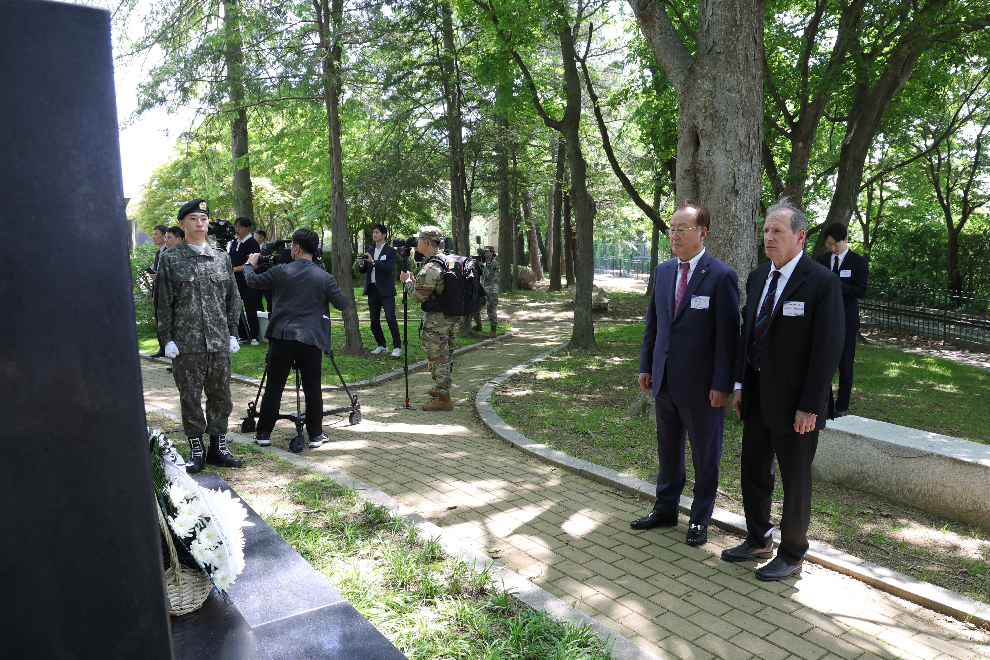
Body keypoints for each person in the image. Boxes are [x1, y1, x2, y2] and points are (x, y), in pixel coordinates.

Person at [722, 198, 843, 581]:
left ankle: (792, 553)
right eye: (766, 230)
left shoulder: (821, 281)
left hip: (797, 404)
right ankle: (758, 539)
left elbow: (828, 349)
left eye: (777, 231)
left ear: (800, 236)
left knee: (795, 480)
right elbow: (747, 337)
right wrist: (740, 385)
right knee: (754, 471)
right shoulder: (758, 277)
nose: (768, 237)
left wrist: (810, 406)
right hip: (756, 395)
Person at [632, 200, 740, 547]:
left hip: (701, 387)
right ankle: (665, 509)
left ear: (702, 233)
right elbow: (655, 324)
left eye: (682, 229)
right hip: (663, 380)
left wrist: (722, 384)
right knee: (668, 450)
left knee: (705, 455)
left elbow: (728, 338)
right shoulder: (663, 272)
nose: (674, 235)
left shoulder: (721, 276)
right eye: (672, 229)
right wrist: (646, 365)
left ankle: (699, 518)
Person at [157, 198, 243, 473]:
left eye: (203, 219)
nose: (200, 223)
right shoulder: (171, 259)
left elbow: (233, 299)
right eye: (193, 219)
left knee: (221, 395)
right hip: (187, 343)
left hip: (218, 341)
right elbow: (163, 304)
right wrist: (167, 339)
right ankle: (197, 446)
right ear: (182, 224)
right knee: (190, 396)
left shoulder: (222, 258)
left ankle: (218, 445)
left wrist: (233, 333)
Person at [244, 228, 350, 448]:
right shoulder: (323, 276)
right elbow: (343, 303)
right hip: (311, 339)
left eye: (291, 246)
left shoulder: (282, 270)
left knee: (274, 385)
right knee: (312, 387)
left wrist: (249, 263)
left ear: (297, 248)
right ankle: (316, 435)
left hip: (282, 336)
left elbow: (252, 281)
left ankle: (263, 433)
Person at [399, 226, 459, 411]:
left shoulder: (431, 267)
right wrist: (415, 283)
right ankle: (442, 388)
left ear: (426, 242)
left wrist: (407, 282)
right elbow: (433, 290)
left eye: (418, 240)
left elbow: (418, 297)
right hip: (448, 316)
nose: (416, 243)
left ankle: (444, 398)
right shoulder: (445, 260)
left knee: (438, 357)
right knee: (444, 355)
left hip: (436, 322)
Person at [816, 224, 869, 416]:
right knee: (823, 363)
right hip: (824, 320)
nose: (832, 248)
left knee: (845, 366)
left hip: (847, 321)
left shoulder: (858, 262)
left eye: (835, 244)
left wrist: (836, 283)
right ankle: (824, 403)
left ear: (845, 239)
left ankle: (841, 407)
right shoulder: (821, 261)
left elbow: (860, 290)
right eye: (829, 244)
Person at [358, 223, 402, 357]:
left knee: (390, 318)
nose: (374, 235)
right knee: (374, 321)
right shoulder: (370, 250)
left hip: (386, 290)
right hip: (372, 290)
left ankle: (397, 347)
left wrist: (374, 262)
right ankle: (381, 345)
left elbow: (389, 268)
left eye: (376, 232)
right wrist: (361, 263)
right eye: (373, 232)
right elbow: (364, 270)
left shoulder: (390, 251)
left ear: (384, 235)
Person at [228, 216, 262, 344]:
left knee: (250, 308)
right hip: (235, 281)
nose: (237, 229)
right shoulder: (235, 242)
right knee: (236, 308)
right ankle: (242, 334)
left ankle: (254, 335)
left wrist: (233, 269)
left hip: (248, 282)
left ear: (247, 228)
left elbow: (252, 264)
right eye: (235, 226)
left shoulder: (252, 243)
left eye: (240, 227)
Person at [149, 224, 168, 358]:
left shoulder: (169, 251)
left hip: (166, 291)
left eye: (156, 234)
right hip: (157, 290)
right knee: (158, 319)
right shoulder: (158, 252)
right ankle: (162, 347)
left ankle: (168, 348)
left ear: (164, 235)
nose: (153, 237)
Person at [472, 246, 500, 338]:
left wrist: (482, 266)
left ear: (491, 253)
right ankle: (478, 325)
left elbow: (490, 277)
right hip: (482, 288)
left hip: (491, 290)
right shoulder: (483, 262)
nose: (484, 253)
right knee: (475, 306)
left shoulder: (494, 263)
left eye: (486, 251)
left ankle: (493, 330)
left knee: (490, 310)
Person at [253, 229, 273, 313]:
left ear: (261, 238)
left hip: (266, 278)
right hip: (257, 278)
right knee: (257, 299)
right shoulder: (253, 249)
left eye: (255, 236)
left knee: (270, 299)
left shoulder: (267, 248)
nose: (253, 238)